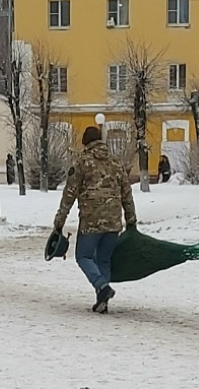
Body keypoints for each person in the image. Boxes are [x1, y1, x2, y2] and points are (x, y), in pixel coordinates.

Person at [53, 126, 137, 314]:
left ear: (85, 142)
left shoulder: (82, 162)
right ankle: (102, 301)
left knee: (83, 256)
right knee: (104, 260)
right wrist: (131, 218)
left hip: (91, 221)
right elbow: (126, 193)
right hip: (114, 221)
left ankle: (102, 286)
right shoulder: (116, 162)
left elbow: (69, 194)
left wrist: (60, 220)